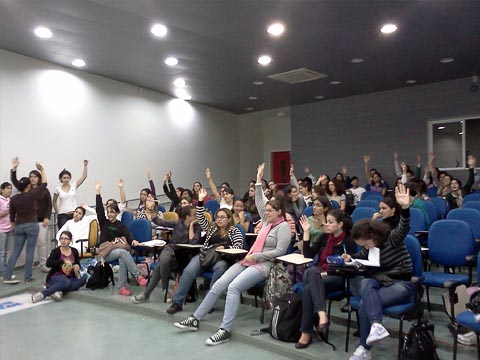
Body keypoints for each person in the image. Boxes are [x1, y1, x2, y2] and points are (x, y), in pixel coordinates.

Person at [173, 163, 291, 346]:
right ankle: (195, 318)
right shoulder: (267, 222)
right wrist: (259, 179)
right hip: (249, 260)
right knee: (219, 284)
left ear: (279, 212)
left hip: (265, 265)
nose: (265, 212)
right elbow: (260, 200)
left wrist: (256, 257)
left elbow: (279, 252)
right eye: (265, 210)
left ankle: (224, 330)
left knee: (234, 287)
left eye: (269, 211)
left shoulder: (283, 227)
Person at [343, 184, 414, 360]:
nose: (365, 248)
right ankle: (376, 326)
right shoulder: (369, 247)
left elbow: (404, 227)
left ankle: (365, 348)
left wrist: (405, 208)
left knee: (363, 305)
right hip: (379, 280)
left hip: (401, 283)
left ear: (373, 236)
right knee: (366, 283)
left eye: (366, 244)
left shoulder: (393, 239)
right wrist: (350, 258)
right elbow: (361, 256)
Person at [166, 188, 243, 314]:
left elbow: (238, 247)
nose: (218, 219)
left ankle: (208, 302)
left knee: (221, 268)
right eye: (217, 217)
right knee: (188, 271)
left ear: (229, 219)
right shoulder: (212, 228)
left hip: (222, 259)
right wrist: (200, 201)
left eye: (222, 217)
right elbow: (201, 217)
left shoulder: (235, 231)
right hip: (206, 255)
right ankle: (177, 302)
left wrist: (226, 248)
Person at [295, 210, 355, 349]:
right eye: (326, 221)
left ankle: (307, 332)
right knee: (311, 278)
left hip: (337, 277)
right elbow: (308, 254)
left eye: (330, 222)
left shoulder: (348, 241)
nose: (326, 224)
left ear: (340, 224)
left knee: (310, 277)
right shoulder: (324, 237)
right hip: (318, 276)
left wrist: (326, 273)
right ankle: (321, 315)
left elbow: (348, 267)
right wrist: (306, 232)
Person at [132, 204, 201, 304]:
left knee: (159, 267)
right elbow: (159, 221)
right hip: (170, 250)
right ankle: (164, 291)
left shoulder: (197, 227)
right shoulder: (178, 223)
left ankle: (148, 294)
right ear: (187, 216)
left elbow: (193, 242)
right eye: (194, 214)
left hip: (183, 256)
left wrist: (191, 227)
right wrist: (151, 210)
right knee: (165, 257)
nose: (197, 217)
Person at [95, 180, 148, 296]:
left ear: (117, 213)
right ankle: (138, 276)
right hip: (106, 252)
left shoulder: (120, 225)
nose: (109, 214)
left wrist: (133, 240)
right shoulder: (104, 222)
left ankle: (122, 287)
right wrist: (98, 193)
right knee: (123, 253)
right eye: (108, 212)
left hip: (117, 251)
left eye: (112, 212)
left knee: (123, 256)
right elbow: (99, 209)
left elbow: (127, 234)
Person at [3, 163, 48, 284]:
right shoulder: (32, 194)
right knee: (30, 251)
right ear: (28, 185)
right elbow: (44, 184)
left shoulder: (13, 198)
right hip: (32, 225)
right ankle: (27, 277)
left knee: (16, 251)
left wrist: (13, 226)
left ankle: (6, 276)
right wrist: (42, 170)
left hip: (18, 226)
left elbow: (12, 215)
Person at [11, 158, 53, 272]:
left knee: (41, 242)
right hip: (29, 222)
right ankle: (31, 266)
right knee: (29, 246)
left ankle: (43, 264)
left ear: (39, 178)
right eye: (31, 177)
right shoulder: (26, 190)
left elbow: (49, 205)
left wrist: (47, 217)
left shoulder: (44, 190)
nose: (32, 178)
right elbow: (15, 181)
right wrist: (14, 169)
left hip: (41, 220)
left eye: (35, 176)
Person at [31, 231, 86, 303]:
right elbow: (48, 263)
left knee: (83, 280)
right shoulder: (56, 251)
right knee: (66, 282)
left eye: (66, 239)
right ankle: (43, 294)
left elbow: (77, 266)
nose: (63, 240)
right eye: (61, 238)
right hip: (56, 276)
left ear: (70, 240)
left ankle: (57, 290)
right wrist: (62, 262)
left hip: (70, 277)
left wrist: (76, 270)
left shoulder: (74, 251)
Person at [53, 160, 88, 230]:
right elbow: (54, 201)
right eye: (64, 178)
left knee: (75, 231)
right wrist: (57, 212)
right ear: (61, 179)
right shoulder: (58, 189)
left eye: (67, 177)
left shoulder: (73, 185)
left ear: (70, 178)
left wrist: (85, 165)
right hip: (63, 214)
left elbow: (84, 176)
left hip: (74, 213)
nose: (66, 179)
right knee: (63, 232)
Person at [0, 182, 13, 278]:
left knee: (8, 251)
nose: (9, 190)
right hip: (1, 229)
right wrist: (8, 211)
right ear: (2, 189)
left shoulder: (10, 200)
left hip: (9, 228)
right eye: (7, 188)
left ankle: (7, 269)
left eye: (10, 188)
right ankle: (2, 270)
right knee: (1, 252)